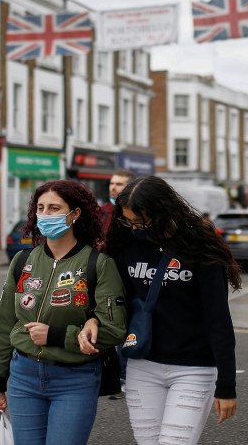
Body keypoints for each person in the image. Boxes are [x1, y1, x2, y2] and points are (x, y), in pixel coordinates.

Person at [93, 176, 241, 445]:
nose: (136, 228)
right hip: (142, 365)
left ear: (163, 212)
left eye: (143, 222)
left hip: (193, 368)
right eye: (129, 221)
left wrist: (227, 385)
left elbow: (218, 319)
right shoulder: (126, 244)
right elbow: (112, 300)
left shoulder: (199, 246)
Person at [0, 180, 128, 445]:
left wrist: (57, 336)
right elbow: (6, 325)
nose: (45, 215)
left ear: (75, 214)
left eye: (54, 208)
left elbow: (114, 330)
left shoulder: (99, 264)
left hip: (75, 378)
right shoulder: (22, 261)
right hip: (24, 376)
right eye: (41, 208)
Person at [99, 168, 136, 400]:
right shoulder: (102, 212)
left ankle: (124, 377)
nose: (113, 187)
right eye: (112, 183)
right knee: (107, 325)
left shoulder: (132, 214)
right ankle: (113, 377)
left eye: (120, 184)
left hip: (127, 278)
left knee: (126, 328)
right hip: (104, 277)